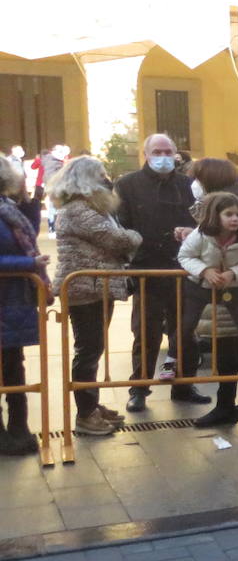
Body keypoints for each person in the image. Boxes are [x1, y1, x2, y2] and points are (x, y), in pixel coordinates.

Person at [115, 134, 208, 412]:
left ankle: (184, 384)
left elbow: (204, 220)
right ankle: (139, 389)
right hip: (147, 270)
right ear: (146, 153)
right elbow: (121, 226)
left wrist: (194, 233)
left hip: (184, 269)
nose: (164, 156)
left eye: (169, 151)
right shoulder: (128, 184)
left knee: (186, 331)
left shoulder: (188, 184)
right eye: (158, 151)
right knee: (146, 332)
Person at [51, 157, 139, 437]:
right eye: (101, 175)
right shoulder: (79, 208)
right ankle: (85, 414)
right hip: (84, 288)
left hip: (96, 286)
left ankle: (91, 404)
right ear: (86, 179)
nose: (106, 179)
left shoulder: (90, 206)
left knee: (93, 349)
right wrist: (134, 236)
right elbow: (114, 239)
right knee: (88, 351)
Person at [176, 192, 238, 427]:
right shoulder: (201, 235)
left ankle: (227, 406)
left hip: (233, 294)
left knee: (229, 346)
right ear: (216, 215)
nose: (235, 219)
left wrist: (233, 273)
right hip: (205, 295)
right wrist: (205, 270)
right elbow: (185, 256)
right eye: (229, 214)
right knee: (228, 345)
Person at [0, 160, 46, 454]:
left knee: (14, 366)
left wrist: (31, 204)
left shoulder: (8, 205)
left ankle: (20, 430)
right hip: (8, 296)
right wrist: (28, 264)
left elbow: (27, 237)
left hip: (12, 301)